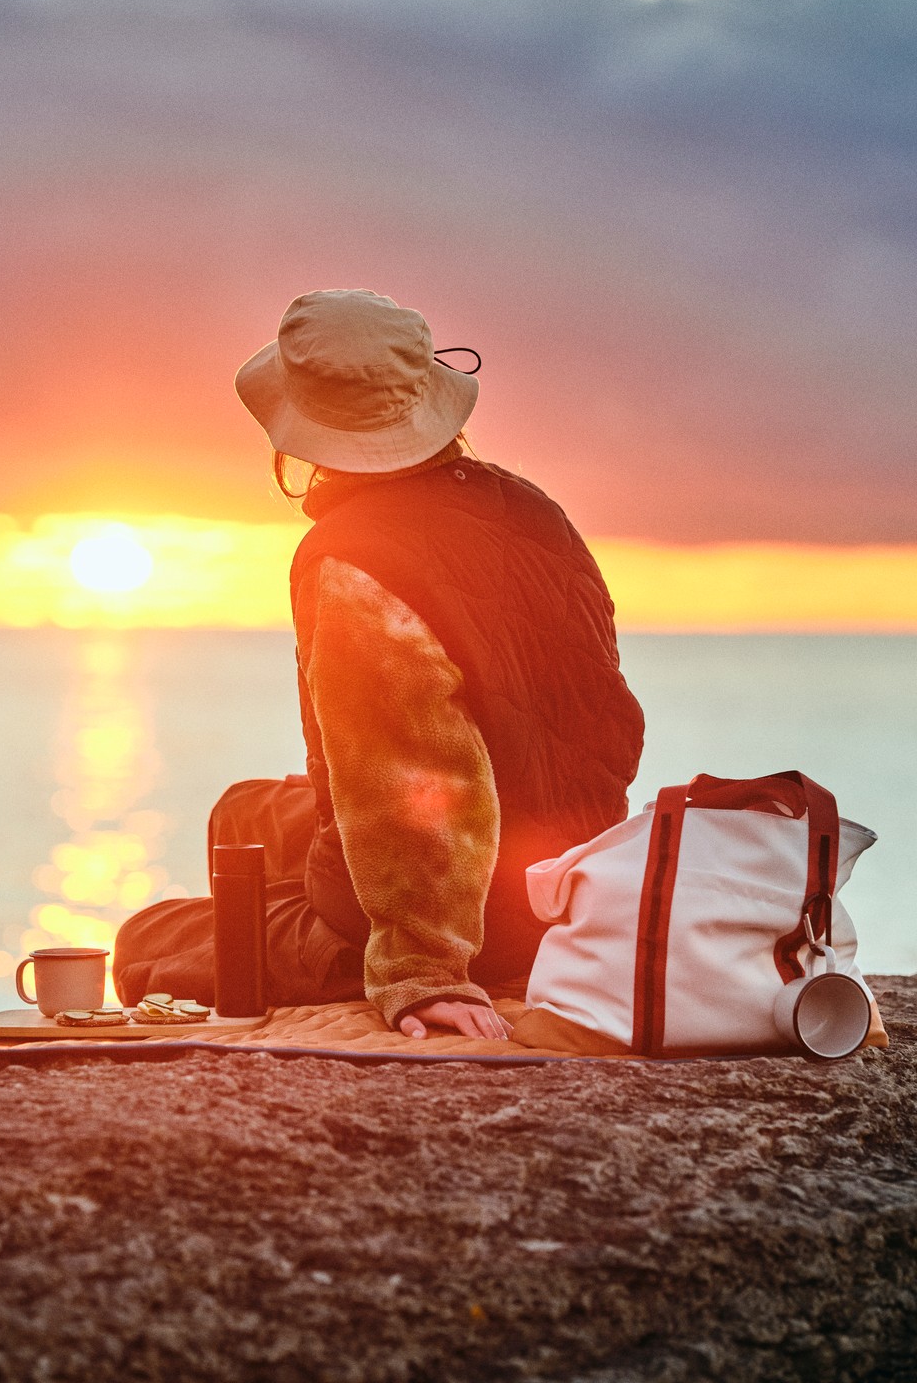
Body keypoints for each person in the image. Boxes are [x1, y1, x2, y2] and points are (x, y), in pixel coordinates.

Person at [114, 289, 645, 1040]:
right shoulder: (535, 512)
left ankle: (335, 956)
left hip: (482, 924)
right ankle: (308, 925)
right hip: (562, 879)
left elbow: (421, 778)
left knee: (148, 939)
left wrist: (423, 973)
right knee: (243, 811)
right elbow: (596, 716)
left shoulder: (353, 561)